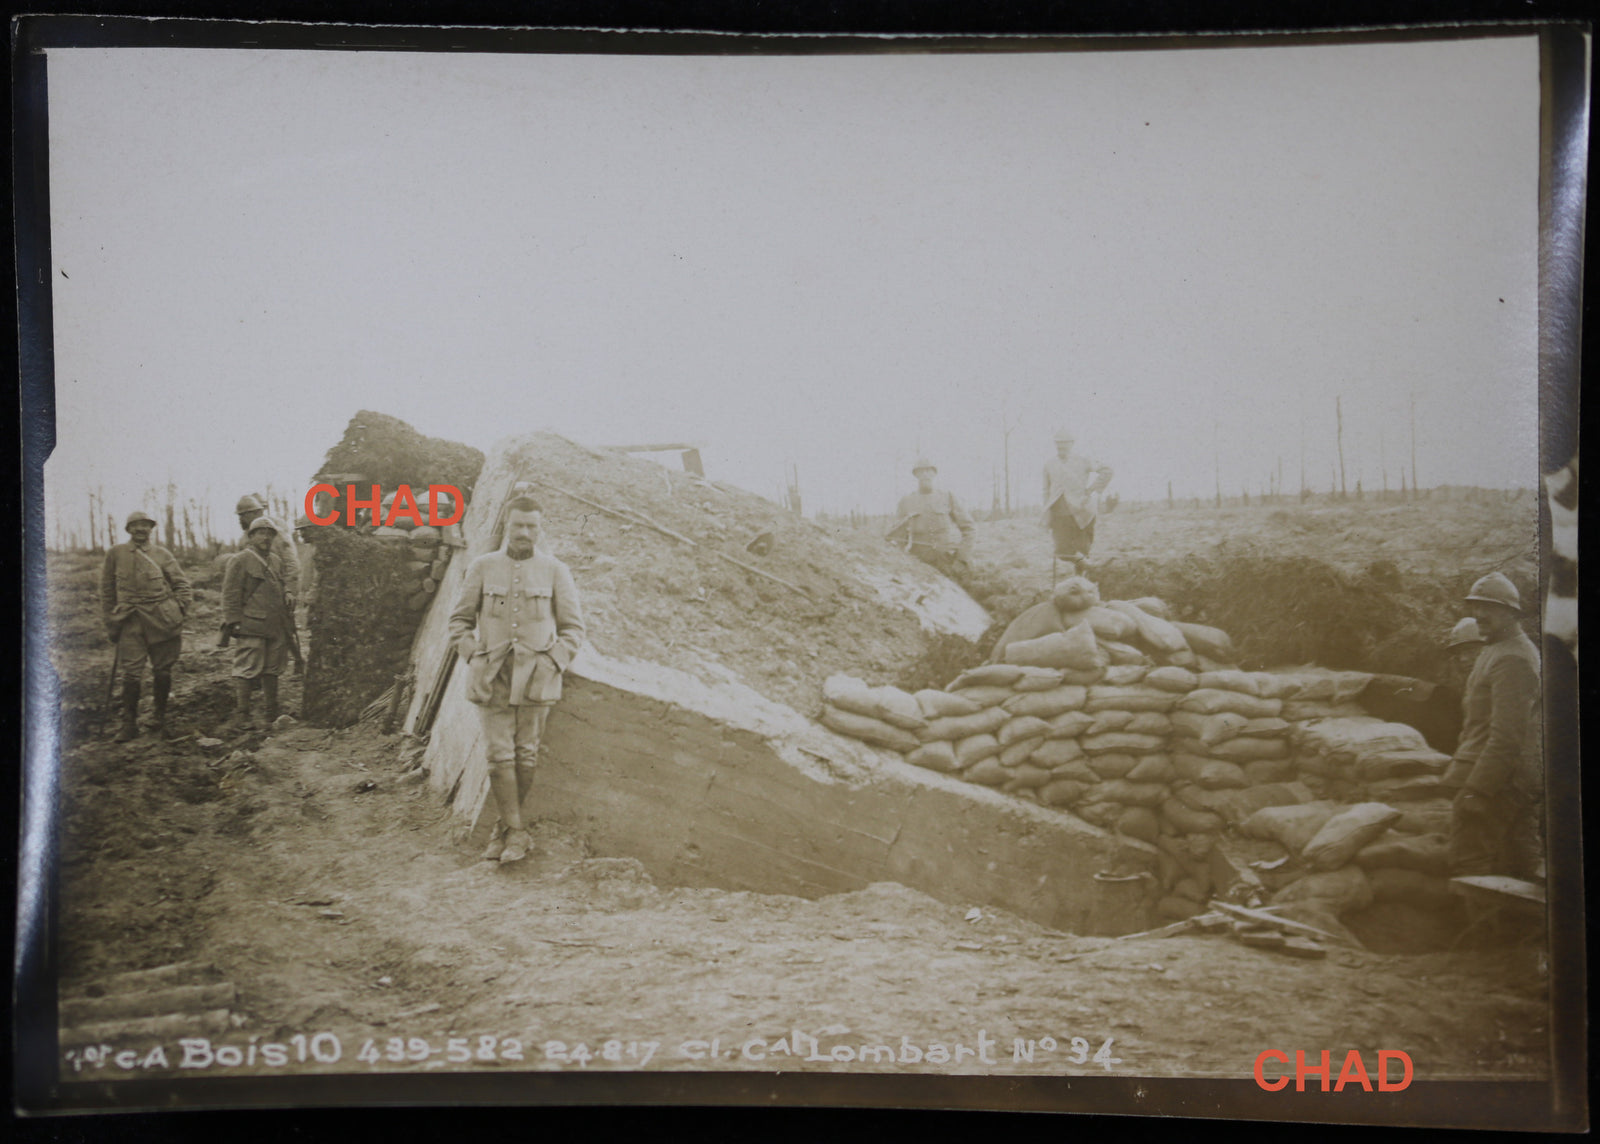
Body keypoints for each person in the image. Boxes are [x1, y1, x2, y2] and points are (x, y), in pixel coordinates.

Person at [448, 496, 586, 865]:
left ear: (540, 529)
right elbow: (458, 622)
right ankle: (517, 831)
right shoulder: (482, 567)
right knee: (498, 755)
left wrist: (552, 662)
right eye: (517, 526)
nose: (524, 533)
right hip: (492, 676)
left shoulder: (556, 571)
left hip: (536, 679)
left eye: (531, 526)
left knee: (526, 754)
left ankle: (505, 830)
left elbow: (574, 629)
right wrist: (473, 654)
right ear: (506, 527)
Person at [1441, 573, 1543, 880]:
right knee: (1517, 866)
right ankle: (1518, 928)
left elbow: (1507, 736)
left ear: (1511, 612)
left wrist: (1478, 789)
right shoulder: (1496, 649)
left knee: (1469, 865)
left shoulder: (1514, 658)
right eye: (1475, 607)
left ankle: (1486, 930)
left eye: (1490, 607)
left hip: (1499, 782)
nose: (1479, 614)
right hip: (1500, 778)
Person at [100, 510, 193, 741]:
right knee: (131, 673)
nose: (141, 529)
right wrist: (111, 622)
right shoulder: (116, 553)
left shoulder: (162, 554)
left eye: (145, 525)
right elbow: (107, 591)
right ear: (128, 529)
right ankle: (128, 724)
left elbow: (182, 585)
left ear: (151, 529)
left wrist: (178, 609)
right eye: (136, 525)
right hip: (130, 620)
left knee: (162, 669)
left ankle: (158, 716)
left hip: (162, 619)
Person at [221, 516, 294, 732]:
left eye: (270, 534)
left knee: (273, 668)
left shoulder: (276, 560)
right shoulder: (240, 559)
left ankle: (271, 711)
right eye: (260, 533)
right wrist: (233, 621)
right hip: (251, 623)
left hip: (275, 624)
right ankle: (242, 714)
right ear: (251, 536)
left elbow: (281, 584)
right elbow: (230, 593)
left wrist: (288, 591)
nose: (266, 537)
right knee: (247, 668)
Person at [884, 459, 975, 576]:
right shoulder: (906, 501)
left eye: (928, 471)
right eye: (921, 471)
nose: (925, 474)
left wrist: (962, 558)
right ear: (915, 475)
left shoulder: (947, 497)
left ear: (934, 473)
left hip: (948, 562)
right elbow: (897, 536)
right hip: (919, 565)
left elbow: (970, 528)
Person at [1042, 429, 1114, 568]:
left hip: (1082, 513)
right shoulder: (1049, 464)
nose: (1061, 447)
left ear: (1072, 444)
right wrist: (1047, 512)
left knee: (1083, 550)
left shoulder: (1084, 459)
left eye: (1064, 443)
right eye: (1058, 443)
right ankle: (1090, 567)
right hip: (1059, 515)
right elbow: (1045, 491)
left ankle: (1083, 582)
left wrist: (1091, 490)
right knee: (1062, 552)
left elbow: (1107, 471)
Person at [235, 493, 300, 603]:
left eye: (244, 515)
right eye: (239, 516)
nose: (240, 519)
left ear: (257, 513)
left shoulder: (277, 534)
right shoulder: (244, 540)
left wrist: (289, 591)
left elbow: (292, 564)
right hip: (255, 595)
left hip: (279, 589)